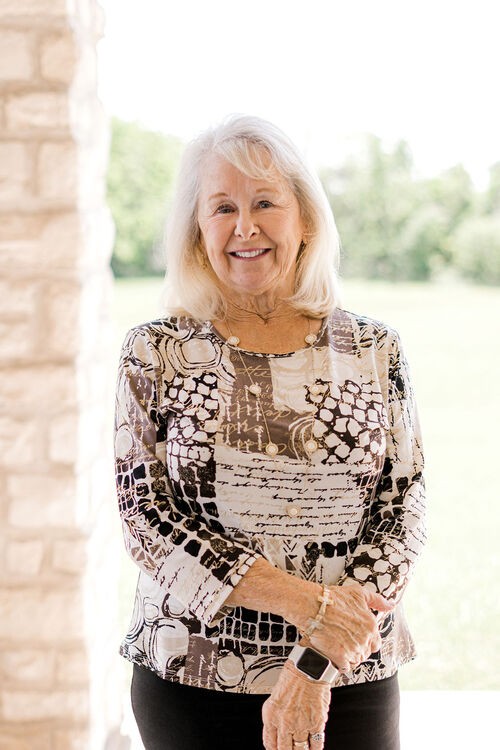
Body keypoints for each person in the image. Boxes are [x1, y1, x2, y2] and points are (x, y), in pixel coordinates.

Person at [114, 114, 426, 750]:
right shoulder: (155, 353)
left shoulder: (376, 350)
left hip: (348, 678)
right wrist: (306, 604)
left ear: (304, 219)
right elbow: (146, 520)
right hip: (192, 678)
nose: (245, 227)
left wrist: (316, 657)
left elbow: (404, 512)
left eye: (264, 203)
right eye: (222, 208)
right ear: (198, 231)